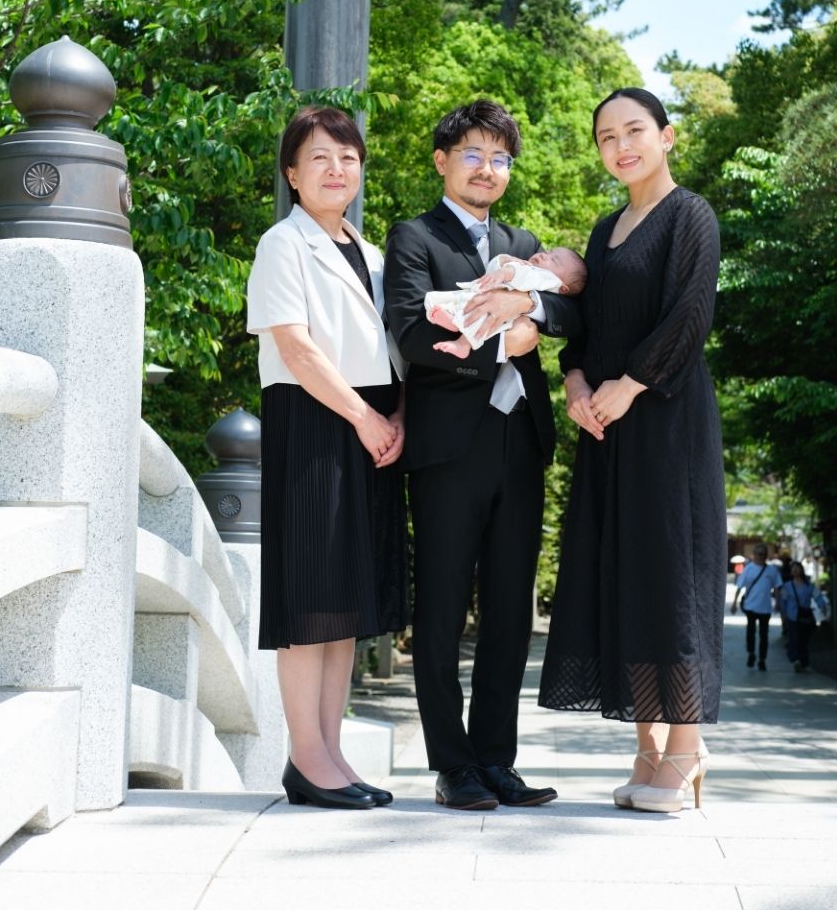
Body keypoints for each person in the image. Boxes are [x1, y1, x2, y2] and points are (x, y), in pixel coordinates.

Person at [383, 100, 584, 811]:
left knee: (509, 611)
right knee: (440, 610)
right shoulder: (413, 237)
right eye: (473, 154)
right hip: (447, 450)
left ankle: (497, 759)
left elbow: (569, 307)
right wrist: (500, 343)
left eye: (500, 158)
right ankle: (453, 766)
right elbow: (411, 336)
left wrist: (531, 315)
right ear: (442, 161)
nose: (487, 168)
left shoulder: (523, 241)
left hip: (519, 444)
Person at [537, 88, 723, 814]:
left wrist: (631, 384)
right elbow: (584, 325)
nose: (622, 145)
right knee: (625, 577)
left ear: (667, 136)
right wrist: (578, 380)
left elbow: (690, 314)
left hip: (667, 422)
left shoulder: (690, 215)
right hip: (607, 428)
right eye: (608, 136)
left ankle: (686, 747)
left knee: (672, 575)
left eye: (635, 130)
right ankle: (646, 749)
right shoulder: (605, 228)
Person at [245, 106, 408, 811]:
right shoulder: (283, 244)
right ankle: (305, 758)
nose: (336, 168)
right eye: (319, 157)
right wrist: (366, 415)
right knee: (311, 599)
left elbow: (397, 349)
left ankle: (331, 755)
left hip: (371, 426)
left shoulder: (370, 254)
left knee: (347, 604)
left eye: (347, 156)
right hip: (315, 421)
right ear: (292, 174)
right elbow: (297, 347)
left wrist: (397, 414)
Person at [425, 247, 588, 357]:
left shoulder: (548, 279)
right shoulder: (533, 268)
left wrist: (508, 272)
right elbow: (494, 271)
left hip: (505, 317)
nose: (545, 255)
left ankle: (461, 336)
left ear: (563, 288)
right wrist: (505, 261)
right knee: (470, 307)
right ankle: (458, 328)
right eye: (550, 251)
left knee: (482, 318)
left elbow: (525, 276)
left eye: (555, 260)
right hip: (488, 301)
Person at [735, 543, 783, 672]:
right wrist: (735, 602)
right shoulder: (749, 569)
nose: (761, 556)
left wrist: (778, 602)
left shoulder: (772, 570)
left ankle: (762, 659)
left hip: (765, 607)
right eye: (758, 553)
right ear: (754, 555)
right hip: (750, 605)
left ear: (766, 555)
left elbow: (777, 586)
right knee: (750, 632)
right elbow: (740, 585)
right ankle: (751, 653)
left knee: (764, 635)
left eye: (763, 554)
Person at [776, 562, 829, 672]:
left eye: (797, 568)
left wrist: (822, 607)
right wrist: (784, 615)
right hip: (792, 616)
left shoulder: (808, 585)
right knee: (795, 638)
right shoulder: (787, 586)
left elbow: (817, 596)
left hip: (805, 616)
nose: (795, 570)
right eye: (793, 568)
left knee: (804, 640)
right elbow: (783, 601)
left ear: (801, 570)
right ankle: (796, 660)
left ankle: (803, 662)